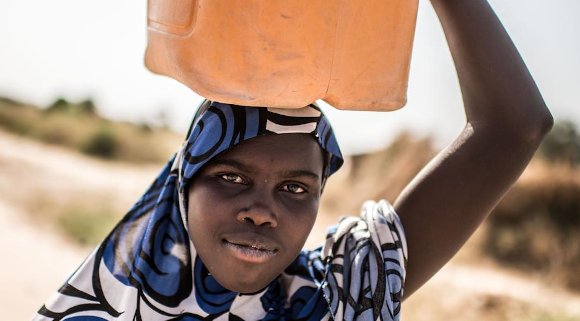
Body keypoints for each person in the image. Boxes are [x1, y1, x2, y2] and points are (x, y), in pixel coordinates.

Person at [33, 0, 553, 320]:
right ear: (183, 183)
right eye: (231, 176)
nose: (262, 210)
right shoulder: (103, 310)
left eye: (296, 188)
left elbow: (515, 129)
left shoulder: (340, 299)